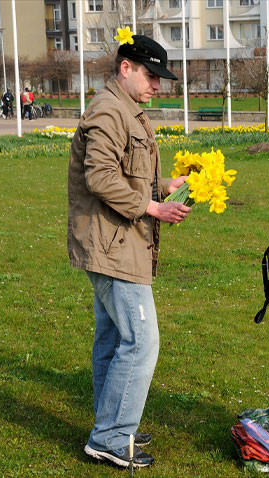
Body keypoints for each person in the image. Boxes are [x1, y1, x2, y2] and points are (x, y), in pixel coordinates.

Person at [67, 34, 189, 469]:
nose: (158, 85)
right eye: (151, 75)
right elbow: (99, 177)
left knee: (115, 337)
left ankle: (114, 423)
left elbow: (125, 173)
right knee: (141, 341)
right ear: (126, 68)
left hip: (117, 242)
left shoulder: (126, 110)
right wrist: (153, 206)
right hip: (113, 246)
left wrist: (162, 187)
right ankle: (111, 436)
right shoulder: (108, 110)